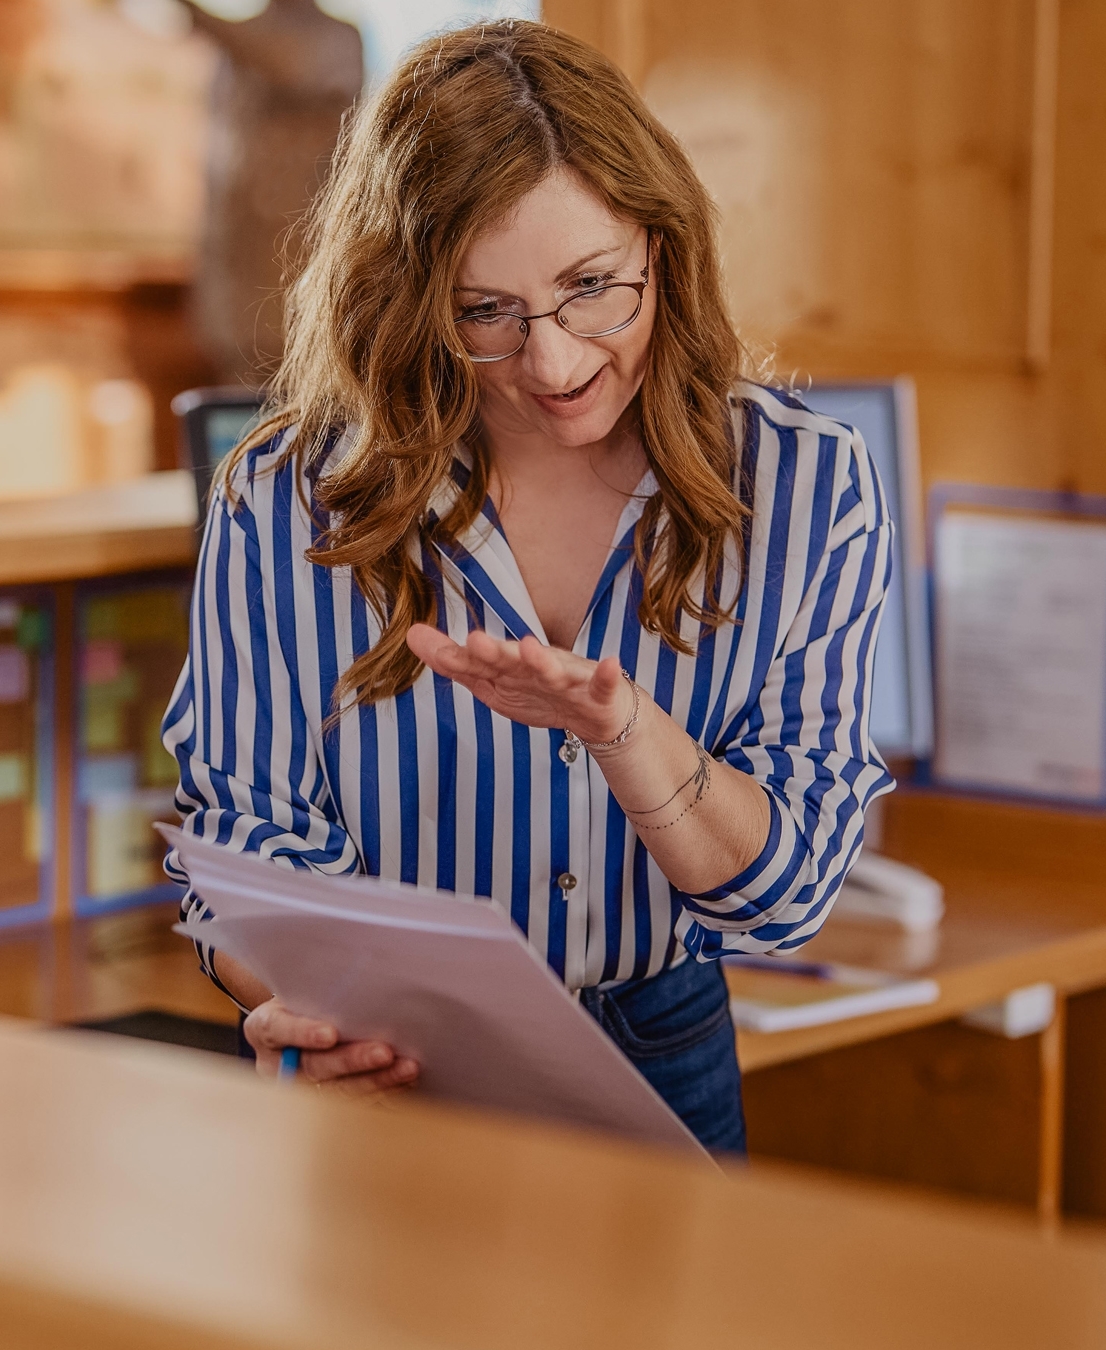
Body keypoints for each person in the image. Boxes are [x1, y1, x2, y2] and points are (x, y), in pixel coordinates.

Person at [160, 19, 893, 1154]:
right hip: (385, 1059)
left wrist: (630, 737)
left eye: (593, 288)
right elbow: (251, 843)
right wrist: (301, 1010)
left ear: (664, 246)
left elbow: (783, 897)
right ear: (411, 300)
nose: (550, 364)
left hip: (662, 1053)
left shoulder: (805, 484)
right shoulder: (286, 494)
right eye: (483, 312)